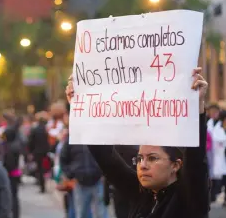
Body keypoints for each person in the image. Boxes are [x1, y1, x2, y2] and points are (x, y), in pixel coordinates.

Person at [65, 68, 210, 218]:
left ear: (175, 165)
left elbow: (196, 162)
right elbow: (107, 160)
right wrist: (80, 108)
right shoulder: (141, 194)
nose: (143, 165)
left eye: (153, 158)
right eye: (140, 158)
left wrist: (197, 105)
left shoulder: (189, 199)